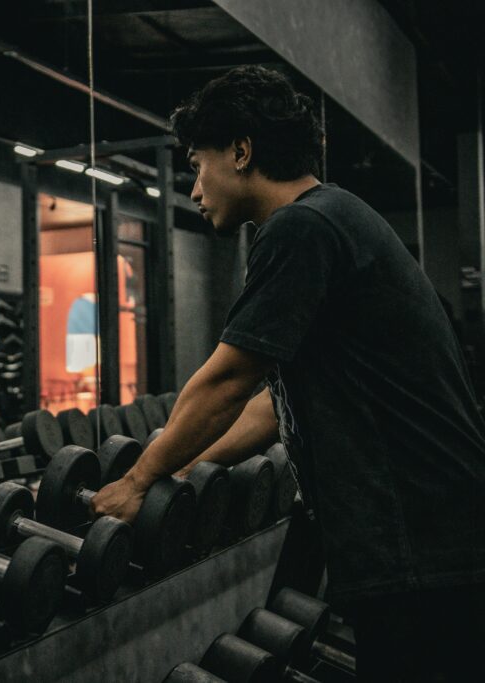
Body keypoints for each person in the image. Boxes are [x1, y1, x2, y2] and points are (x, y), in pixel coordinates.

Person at [91, 66, 484, 680]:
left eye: (198, 164)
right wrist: (189, 464)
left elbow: (228, 381)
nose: (194, 189)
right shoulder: (333, 219)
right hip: (434, 544)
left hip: (423, 550)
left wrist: (140, 479)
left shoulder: (301, 228)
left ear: (242, 152)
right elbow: (272, 408)